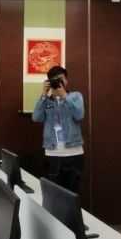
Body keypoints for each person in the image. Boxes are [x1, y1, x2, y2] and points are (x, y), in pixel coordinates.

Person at [31, 65, 85, 194]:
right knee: (54, 194)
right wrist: (43, 95)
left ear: (66, 80)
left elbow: (79, 115)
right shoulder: (47, 101)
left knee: (71, 193)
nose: (59, 82)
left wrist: (64, 96)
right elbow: (36, 118)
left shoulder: (75, 96)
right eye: (55, 80)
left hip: (74, 153)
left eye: (61, 79)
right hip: (53, 154)